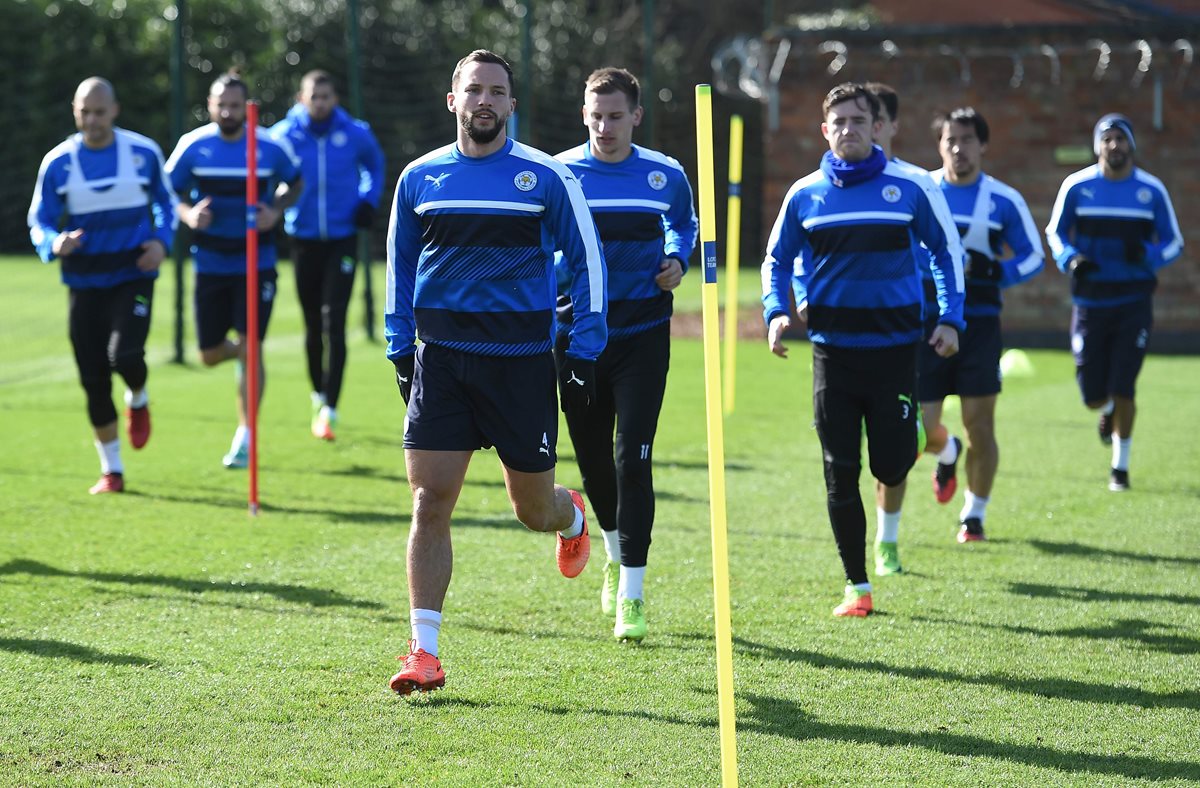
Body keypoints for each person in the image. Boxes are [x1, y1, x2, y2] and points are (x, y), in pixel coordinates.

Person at [385, 50, 606, 694]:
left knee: (532, 510)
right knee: (430, 500)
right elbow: (399, 266)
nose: (485, 100)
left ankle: (571, 517)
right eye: (474, 89)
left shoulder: (546, 177)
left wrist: (584, 350)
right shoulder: (420, 178)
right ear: (452, 100)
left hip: (521, 366)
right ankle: (423, 652)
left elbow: (587, 261)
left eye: (497, 91)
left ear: (512, 103)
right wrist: (400, 346)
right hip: (442, 361)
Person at [762, 82, 964, 617]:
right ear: (824, 131)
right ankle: (857, 584)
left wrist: (950, 318)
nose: (848, 129)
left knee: (891, 466)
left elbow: (945, 253)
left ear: (877, 127)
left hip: (896, 351)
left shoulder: (911, 187)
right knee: (839, 470)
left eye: (858, 120)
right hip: (832, 355)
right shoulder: (805, 194)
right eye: (839, 122)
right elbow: (777, 260)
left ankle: (914, 435)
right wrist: (777, 310)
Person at [554, 67, 698, 642]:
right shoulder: (561, 174)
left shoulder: (665, 174)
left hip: (643, 334)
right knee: (593, 461)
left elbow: (683, 225)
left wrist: (677, 258)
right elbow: (541, 242)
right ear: (583, 115)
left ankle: (632, 595)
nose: (605, 127)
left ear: (636, 116)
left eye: (615, 116)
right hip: (578, 337)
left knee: (632, 459)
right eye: (596, 116)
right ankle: (613, 554)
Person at [27, 77, 176, 495]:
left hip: (133, 272)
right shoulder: (58, 162)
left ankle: (138, 397)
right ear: (75, 112)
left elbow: (167, 203)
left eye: (99, 112)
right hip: (84, 280)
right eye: (84, 112)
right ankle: (112, 471)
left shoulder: (143, 153)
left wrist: (161, 243)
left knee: (125, 356)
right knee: (93, 378)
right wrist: (53, 242)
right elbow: (39, 220)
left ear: (115, 111)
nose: (92, 120)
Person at [165, 72, 303, 468]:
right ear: (210, 105)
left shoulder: (269, 146)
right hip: (210, 262)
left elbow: (295, 183)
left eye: (235, 105)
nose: (227, 111)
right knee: (209, 354)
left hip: (256, 263)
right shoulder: (193, 146)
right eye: (221, 104)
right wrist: (189, 214)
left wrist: (274, 210)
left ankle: (246, 435)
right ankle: (244, 353)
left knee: (251, 342)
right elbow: (168, 190)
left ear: (247, 107)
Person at [922, 107, 1044, 542]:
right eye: (950, 140)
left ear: (984, 145)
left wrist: (996, 272)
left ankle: (973, 515)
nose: (959, 148)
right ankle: (946, 451)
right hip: (927, 323)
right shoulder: (922, 191)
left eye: (968, 140)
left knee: (980, 424)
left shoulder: (1004, 200)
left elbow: (1033, 256)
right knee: (919, 430)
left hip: (980, 324)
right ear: (940, 146)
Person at [1046, 113, 1183, 492]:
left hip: (1133, 301)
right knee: (1092, 394)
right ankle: (1104, 410)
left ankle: (1119, 468)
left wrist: (1148, 256)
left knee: (1124, 385)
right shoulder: (1077, 186)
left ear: (1131, 145)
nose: (1114, 145)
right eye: (1107, 139)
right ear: (1097, 146)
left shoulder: (1151, 190)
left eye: (1121, 138)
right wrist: (1070, 258)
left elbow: (1174, 242)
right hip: (1090, 301)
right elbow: (1056, 232)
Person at [270, 70, 386, 441]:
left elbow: (375, 165)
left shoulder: (354, 132)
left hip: (342, 239)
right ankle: (317, 394)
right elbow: (265, 172)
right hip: (303, 239)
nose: (320, 103)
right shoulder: (282, 135)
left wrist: (368, 200)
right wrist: (271, 203)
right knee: (311, 323)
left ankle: (330, 409)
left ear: (334, 98)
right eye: (313, 97)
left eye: (325, 96)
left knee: (334, 320)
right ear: (301, 99)